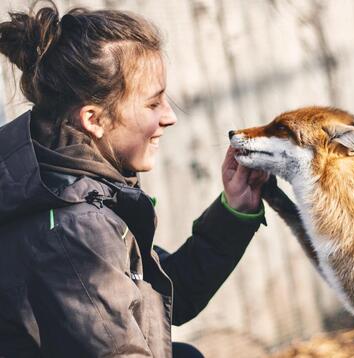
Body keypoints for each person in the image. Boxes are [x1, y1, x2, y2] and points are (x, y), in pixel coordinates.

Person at [0, 2, 268, 357]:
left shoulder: (77, 188)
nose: (170, 116)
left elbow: (164, 297)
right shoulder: (74, 228)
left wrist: (234, 212)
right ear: (94, 120)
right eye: (153, 103)